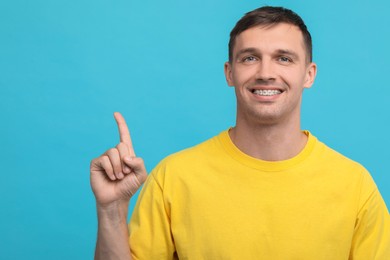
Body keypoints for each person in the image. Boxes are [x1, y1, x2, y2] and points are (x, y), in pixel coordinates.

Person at [90, 6, 390, 259]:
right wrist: (111, 211)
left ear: (308, 74)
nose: (265, 72)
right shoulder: (174, 177)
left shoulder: (355, 186)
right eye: (250, 58)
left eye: (284, 58)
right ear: (229, 73)